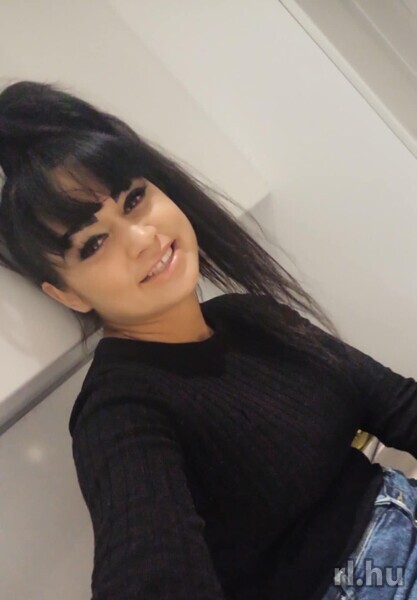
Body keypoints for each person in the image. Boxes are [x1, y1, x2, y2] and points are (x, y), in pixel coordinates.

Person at [1, 80, 417, 600]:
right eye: (94, 243)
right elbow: (149, 575)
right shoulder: (118, 411)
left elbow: (397, 404)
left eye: (134, 199)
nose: (143, 238)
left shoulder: (247, 315)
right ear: (66, 293)